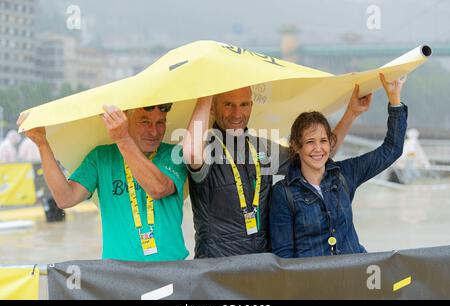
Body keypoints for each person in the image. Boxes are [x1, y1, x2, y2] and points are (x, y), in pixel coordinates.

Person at [183, 85, 373, 258]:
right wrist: (205, 96)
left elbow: (316, 155)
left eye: (243, 104)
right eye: (228, 104)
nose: (237, 113)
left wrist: (351, 114)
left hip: (261, 265)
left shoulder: (261, 148)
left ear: (251, 105)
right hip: (219, 267)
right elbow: (191, 154)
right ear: (213, 109)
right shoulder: (204, 148)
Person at [17, 103, 189, 262]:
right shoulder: (101, 157)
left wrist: (122, 139)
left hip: (171, 269)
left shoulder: (175, 153)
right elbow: (65, 199)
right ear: (125, 119)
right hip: (117, 273)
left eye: (161, 123)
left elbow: (158, 189)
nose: (154, 132)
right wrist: (42, 144)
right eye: (145, 122)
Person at [269, 73, 408, 258]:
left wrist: (394, 99)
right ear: (295, 146)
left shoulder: (345, 175)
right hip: (317, 282)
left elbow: (392, 150)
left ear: (330, 143)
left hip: (355, 274)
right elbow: (283, 257)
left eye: (323, 141)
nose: (318, 149)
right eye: (310, 141)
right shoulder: (282, 193)